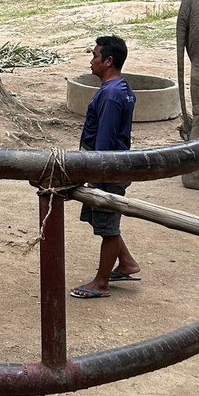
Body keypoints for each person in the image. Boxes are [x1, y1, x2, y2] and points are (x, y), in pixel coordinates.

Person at [70, 35, 141, 300]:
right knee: (103, 221)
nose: (91, 61)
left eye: (95, 56)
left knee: (108, 227)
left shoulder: (111, 96)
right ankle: (127, 263)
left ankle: (101, 283)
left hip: (106, 170)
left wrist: (95, 178)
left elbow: (105, 141)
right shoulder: (120, 88)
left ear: (108, 61)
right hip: (109, 168)